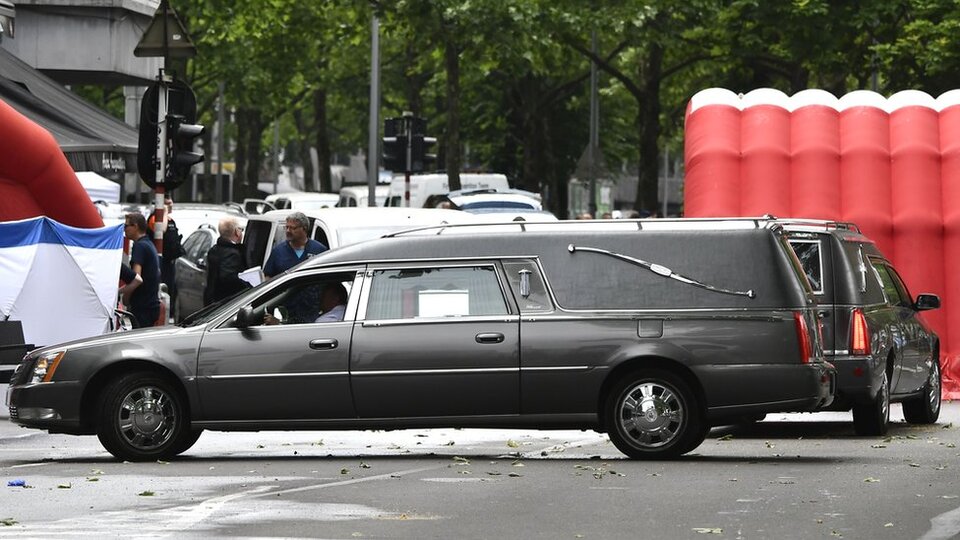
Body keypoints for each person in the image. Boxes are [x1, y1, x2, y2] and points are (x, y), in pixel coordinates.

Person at [121, 212, 161, 328]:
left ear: (136, 226)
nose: (124, 230)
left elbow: (136, 279)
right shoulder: (149, 244)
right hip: (151, 305)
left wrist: (125, 296)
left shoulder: (139, 247)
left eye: (126, 226)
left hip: (143, 307)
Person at [262, 212, 327, 278]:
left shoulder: (319, 250)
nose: (288, 231)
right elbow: (267, 276)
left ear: (304, 228)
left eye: (293, 228)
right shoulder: (278, 251)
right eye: (286, 227)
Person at [148, 198, 185, 314]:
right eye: (168, 203)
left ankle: (170, 314)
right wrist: (163, 212)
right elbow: (161, 230)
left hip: (170, 263)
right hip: (160, 263)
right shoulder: (155, 218)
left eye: (171, 202)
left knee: (171, 291)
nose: (171, 205)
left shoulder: (170, 220)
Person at [204, 217, 250, 306]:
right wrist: (247, 284)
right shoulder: (232, 254)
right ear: (236, 232)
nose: (242, 233)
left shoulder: (214, 250)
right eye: (241, 229)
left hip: (212, 300)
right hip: (228, 303)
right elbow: (228, 278)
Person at [264, 282, 347, 325]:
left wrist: (279, 324)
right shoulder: (347, 312)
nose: (320, 300)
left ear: (335, 298)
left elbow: (303, 340)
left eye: (324, 296)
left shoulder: (326, 321)